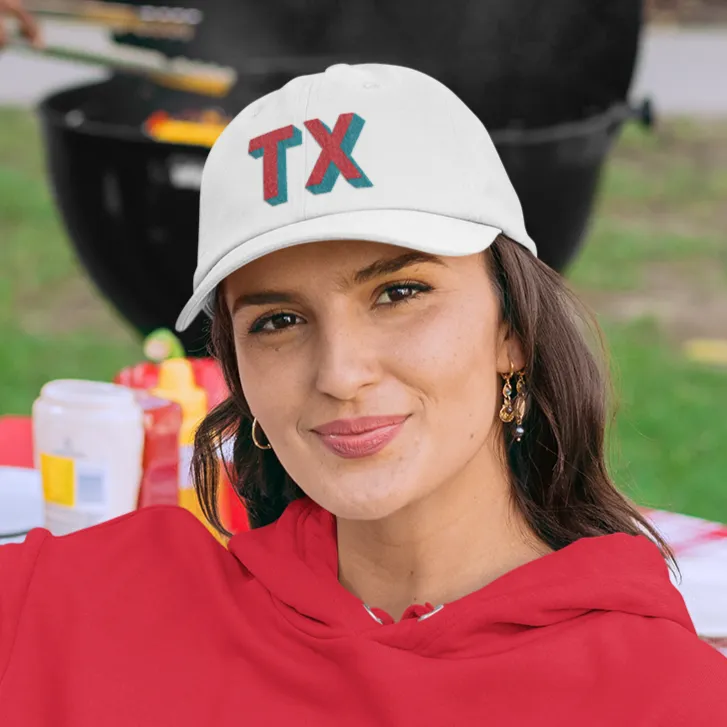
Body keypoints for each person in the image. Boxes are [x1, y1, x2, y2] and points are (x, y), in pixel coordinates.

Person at [1, 63, 727, 725]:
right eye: (278, 320)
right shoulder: (84, 606)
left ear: (512, 329)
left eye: (400, 292)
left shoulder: (661, 696)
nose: (340, 373)